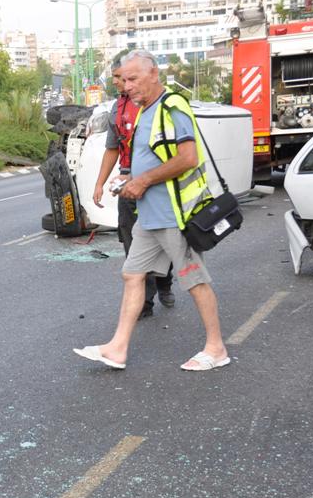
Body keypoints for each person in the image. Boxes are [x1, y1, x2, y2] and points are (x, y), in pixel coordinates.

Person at [74, 49, 230, 372]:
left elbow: (188, 158)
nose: (126, 86)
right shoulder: (145, 111)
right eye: (124, 79)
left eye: (132, 78)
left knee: (194, 279)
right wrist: (128, 177)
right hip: (150, 215)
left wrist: (143, 180)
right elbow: (153, 158)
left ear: (153, 73)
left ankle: (216, 348)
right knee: (132, 274)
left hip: (174, 215)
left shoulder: (173, 107)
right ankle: (118, 348)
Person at [92, 57, 174, 319]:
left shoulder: (158, 104)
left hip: (157, 186)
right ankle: (144, 303)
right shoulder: (118, 108)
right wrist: (100, 183)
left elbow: (184, 156)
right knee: (132, 244)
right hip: (127, 186)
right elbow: (112, 149)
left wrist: (148, 179)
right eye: (118, 78)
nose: (121, 83)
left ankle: (164, 280)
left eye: (126, 77)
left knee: (168, 243)